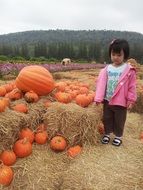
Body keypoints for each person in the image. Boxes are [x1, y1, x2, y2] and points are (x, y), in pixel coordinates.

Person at [94, 39, 137, 146]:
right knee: (107, 118)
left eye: (119, 55)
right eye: (113, 54)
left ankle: (118, 136)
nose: (116, 57)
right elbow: (101, 84)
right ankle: (107, 134)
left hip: (121, 101)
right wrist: (98, 98)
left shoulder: (129, 70)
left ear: (125, 55)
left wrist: (131, 99)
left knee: (119, 120)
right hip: (108, 100)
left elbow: (132, 86)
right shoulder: (106, 69)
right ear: (110, 54)